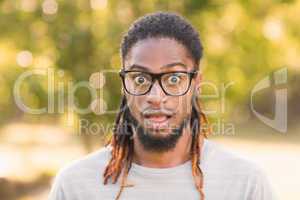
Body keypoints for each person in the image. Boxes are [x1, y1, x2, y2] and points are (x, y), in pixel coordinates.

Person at [48, 11, 276, 200]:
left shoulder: (245, 183)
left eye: (174, 78)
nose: (156, 97)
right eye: (140, 78)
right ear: (124, 84)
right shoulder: (75, 186)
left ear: (196, 83)